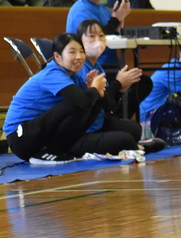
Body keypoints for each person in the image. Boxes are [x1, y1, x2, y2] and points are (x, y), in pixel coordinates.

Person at [4, 33, 107, 163]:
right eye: (72, 52)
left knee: (93, 101)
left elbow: (107, 105)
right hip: (20, 138)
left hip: (36, 132)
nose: (79, 57)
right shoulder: (52, 74)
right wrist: (94, 88)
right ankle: (47, 153)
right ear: (57, 57)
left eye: (81, 52)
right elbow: (83, 100)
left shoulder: (74, 77)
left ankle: (57, 150)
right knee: (79, 101)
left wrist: (98, 91)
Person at [73, 19, 164, 155]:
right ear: (80, 41)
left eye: (101, 36)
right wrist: (118, 83)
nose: (97, 40)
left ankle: (134, 146)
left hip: (99, 122)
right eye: (91, 36)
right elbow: (92, 102)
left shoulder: (96, 66)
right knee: (125, 139)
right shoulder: (81, 68)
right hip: (86, 129)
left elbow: (109, 105)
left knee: (135, 128)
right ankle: (137, 147)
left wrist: (121, 89)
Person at [66, 0, 131, 68]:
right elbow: (94, 42)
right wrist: (115, 19)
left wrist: (119, 22)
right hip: (91, 66)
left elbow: (109, 37)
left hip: (110, 63)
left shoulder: (103, 9)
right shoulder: (81, 10)